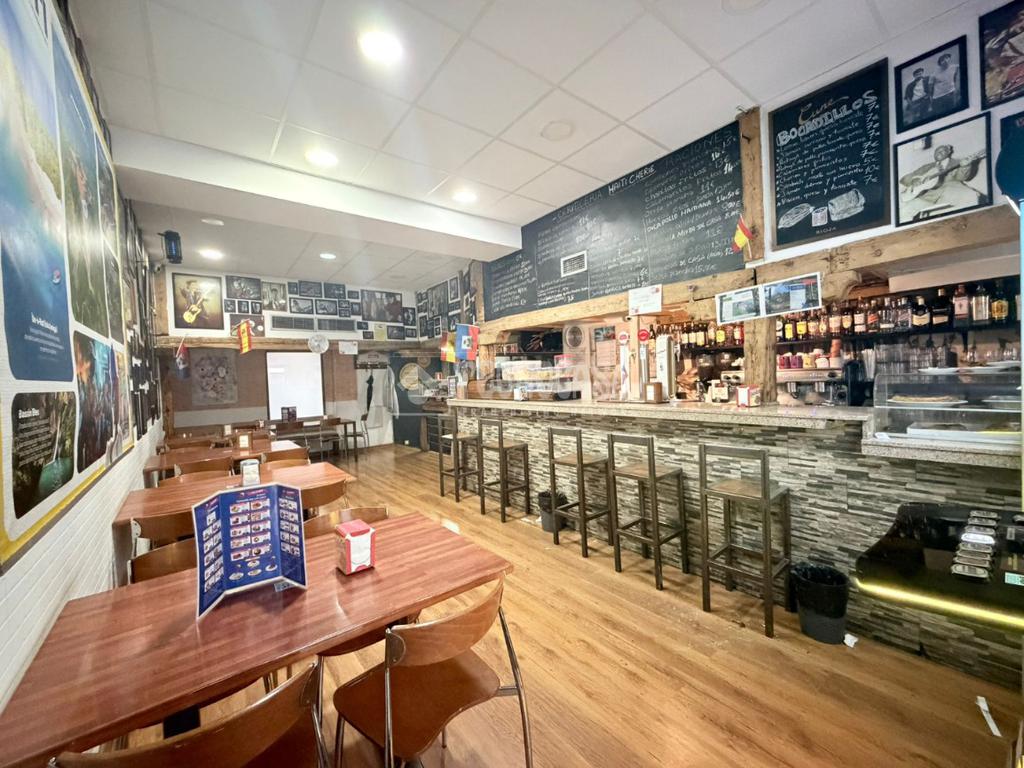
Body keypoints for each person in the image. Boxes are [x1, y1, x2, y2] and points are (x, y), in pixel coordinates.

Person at [899, 144, 985, 220]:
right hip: (927, 197)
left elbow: (962, 177)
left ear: (948, 152)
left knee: (970, 196)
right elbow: (904, 179)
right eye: (936, 151)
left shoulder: (957, 162)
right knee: (905, 211)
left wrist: (965, 166)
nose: (938, 152)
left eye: (942, 150)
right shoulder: (927, 166)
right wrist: (913, 180)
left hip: (950, 192)